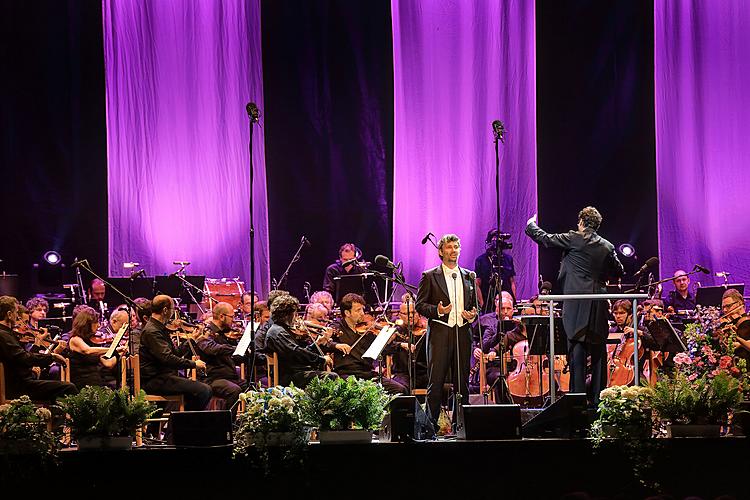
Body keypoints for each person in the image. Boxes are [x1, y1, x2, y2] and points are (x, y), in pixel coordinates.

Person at [525, 207, 624, 406]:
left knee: (577, 351)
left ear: (581, 222)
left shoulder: (574, 237)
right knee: (598, 353)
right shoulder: (607, 246)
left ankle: (577, 403)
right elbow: (619, 270)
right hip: (597, 303)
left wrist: (530, 225)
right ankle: (597, 402)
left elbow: (545, 239)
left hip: (576, 302)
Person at [416, 233, 478, 430]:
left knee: (462, 382)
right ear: (441, 251)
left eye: (456, 247)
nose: (454, 250)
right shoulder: (430, 276)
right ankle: (429, 427)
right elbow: (420, 305)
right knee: (436, 381)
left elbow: (475, 306)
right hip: (441, 333)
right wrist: (437, 311)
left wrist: (472, 315)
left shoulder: (469, 276)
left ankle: (461, 425)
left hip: (462, 332)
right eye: (449, 247)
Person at [138, 295, 211, 410]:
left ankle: (176, 425)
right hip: (154, 380)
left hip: (162, 377)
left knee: (196, 391)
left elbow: (175, 353)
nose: (173, 314)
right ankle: (181, 426)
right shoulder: (152, 331)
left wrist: (192, 339)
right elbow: (167, 359)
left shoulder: (159, 328)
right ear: (165, 310)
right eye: (173, 310)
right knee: (204, 390)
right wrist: (194, 364)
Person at [0, 296, 77, 401]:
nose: (18, 317)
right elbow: (23, 357)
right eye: (16, 312)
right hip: (21, 386)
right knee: (69, 388)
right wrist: (51, 357)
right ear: (9, 315)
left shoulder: (7, 333)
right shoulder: (3, 335)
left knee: (61, 387)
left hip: (23, 381)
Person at [329, 293, 408, 395]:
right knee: (360, 393)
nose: (362, 313)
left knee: (400, 390)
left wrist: (390, 341)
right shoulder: (337, 327)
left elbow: (384, 350)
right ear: (347, 313)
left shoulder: (368, 331)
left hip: (367, 374)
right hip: (347, 375)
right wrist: (336, 345)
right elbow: (325, 344)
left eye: (362, 309)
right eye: (358, 310)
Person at [264, 294, 335, 388]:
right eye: (295, 313)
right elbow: (296, 352)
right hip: (289, 377)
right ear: (289, 314)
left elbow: (299, 353)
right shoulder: (278, 332)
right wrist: (321, 359)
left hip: (297, 372)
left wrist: (317, 343)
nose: (296, 317)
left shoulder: (282, 329)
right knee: (331, 377)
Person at [472, 294, 526, 401]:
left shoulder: (518, 325)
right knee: (500, 378)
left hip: (517, 367)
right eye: (502, 309)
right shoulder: (488, 323)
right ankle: (505, 408)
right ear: (497, 310)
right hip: (494, 366)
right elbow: (483, 345)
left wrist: (521, 328)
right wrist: (499, 333)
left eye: (508, 309)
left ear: (513, 310)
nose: (505, 312)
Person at [196, 302, 246, 414]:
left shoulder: (225, 333)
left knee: (253, 387)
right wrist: (235, 348)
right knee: (234, 390)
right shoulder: (206, 331)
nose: (234, 320)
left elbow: (234, 358)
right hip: (212, 378)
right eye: (232, 317)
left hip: (229, 377)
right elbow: (212, 349)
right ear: (222, 316)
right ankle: (226, 426)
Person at [67, 306, 125, 390]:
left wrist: (119, 353)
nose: (98, 325)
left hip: (96, 380)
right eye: (96, 322)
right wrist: (112, 349)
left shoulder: (94, 341)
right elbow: (87, 350)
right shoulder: (75, 339)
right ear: (87, 324)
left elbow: (108, 363)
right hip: (82, 382)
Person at [474, 230, 517, 309]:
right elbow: (477, 284)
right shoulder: (480, 260)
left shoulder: (508, 259)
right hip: (488, 302)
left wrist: (513, 301)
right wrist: (482, 303)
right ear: (489, 242)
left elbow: (512, 282)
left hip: (506, 302)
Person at [722, 289, 750, 361]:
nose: (725, 310)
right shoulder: (730, 323)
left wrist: (740, 343)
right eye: (723, 307)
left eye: (728, 306)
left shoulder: (747, 322)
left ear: (739, 303)